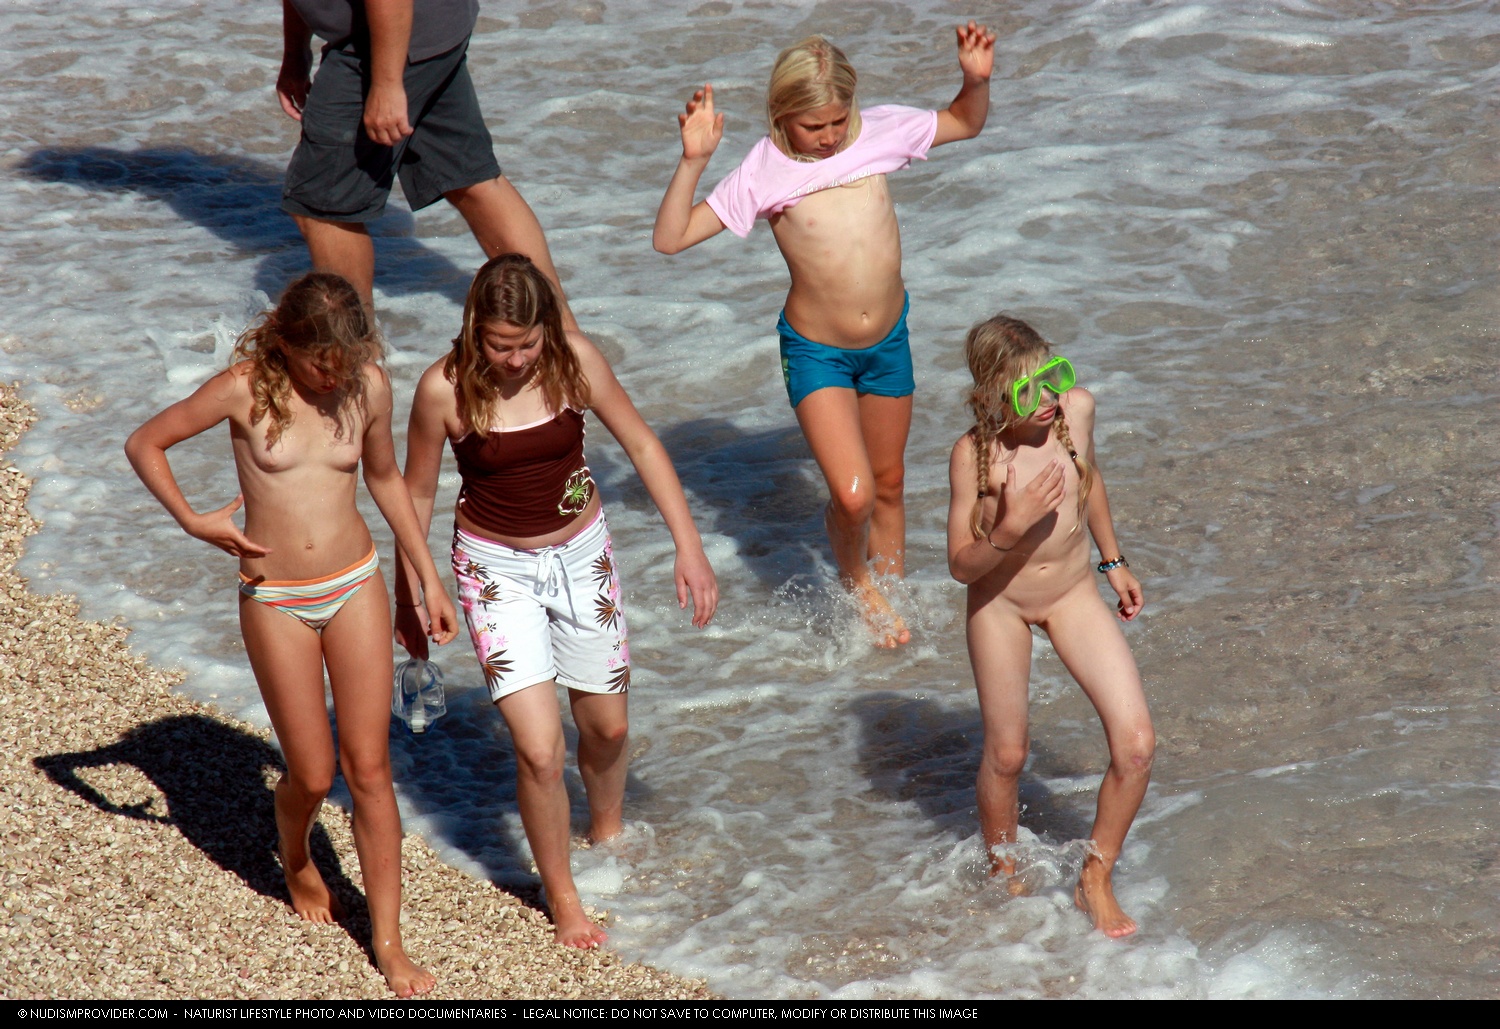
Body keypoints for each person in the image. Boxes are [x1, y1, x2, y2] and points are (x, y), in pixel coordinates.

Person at [124, 272, 460, 995]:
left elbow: (385, 480)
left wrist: (425, 578)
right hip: (275, 596)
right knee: (312, 773)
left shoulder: (368, 387)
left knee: (369, 767)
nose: (331, 378)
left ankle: (388, 941)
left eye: (343, 363)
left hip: (355, 583)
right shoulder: (243, 388)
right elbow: (146, 441)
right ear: (285, 340)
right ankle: (296, 851)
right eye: (318, 364)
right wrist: (194, 520)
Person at [395, 253, 718, 948]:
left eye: (527, 344)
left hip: (581, 555)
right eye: (499, 345)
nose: (515, 361)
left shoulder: (575, 362)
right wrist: (414, 587)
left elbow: (642, 444)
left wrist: (688, 545)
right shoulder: (443, 389)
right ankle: (563, 897)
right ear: (474, 328)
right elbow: (415, 493)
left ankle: (607, 831)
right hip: (494, 569)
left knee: (606, 728)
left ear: (547, 328)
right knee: (540, 750)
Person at [653, 23, 996, 647]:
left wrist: (974, 81)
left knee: (889, 484)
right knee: (854, 494)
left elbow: (964, 122)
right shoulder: (765, 169)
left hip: (888, 342)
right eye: (814, 126)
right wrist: (693, 161)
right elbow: (670, 238)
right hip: (818, 352)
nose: (831, 136)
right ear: (781, 114)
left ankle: (893, 603)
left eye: (839, 120)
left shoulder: (881, 130)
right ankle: (856, 581)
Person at [945, 315, 1154, 939]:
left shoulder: (1075, 411)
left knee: (1137, 746)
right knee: (1008, 753)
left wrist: (1113, 561)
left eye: (1053, 377)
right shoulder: (974, 455)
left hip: (1071, 594)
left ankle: (1096, 877)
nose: (1046, 397)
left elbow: (1090, 480)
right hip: (1000, 602)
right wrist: (1010, 527)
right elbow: (960, 566)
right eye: (1025, 388)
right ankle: (1004, 874)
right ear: (991, 394)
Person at [275, 0, 577, 326]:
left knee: (324, 209)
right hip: (436, 26)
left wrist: (387, 85)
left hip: (388, 39)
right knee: (470, 180)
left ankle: (355, 351)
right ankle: (562, 336)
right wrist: (295, 52)